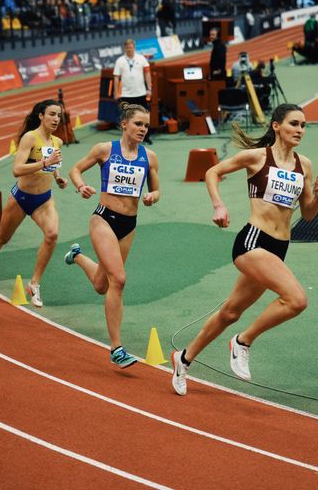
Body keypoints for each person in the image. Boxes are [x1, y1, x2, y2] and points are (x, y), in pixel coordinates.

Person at [171, 103, 318, 396]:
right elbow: (212, 171)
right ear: (276, 126)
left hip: (279, 247)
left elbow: (309, 214)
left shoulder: (306, 165)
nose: (299, 130)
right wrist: (218, 204)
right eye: (293, 124)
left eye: (303, 125)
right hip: (253, 241)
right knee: (297, 300)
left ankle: (183, 359)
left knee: (230, 312)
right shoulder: (256, 157)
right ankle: (243, 341)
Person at [65, 102, 160, 368]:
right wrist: (81, 185)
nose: (143, 129)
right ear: (124, 125)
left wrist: (153, 195)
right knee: (118, 279)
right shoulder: (105, 150)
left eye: (146, 125)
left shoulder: (149, 157)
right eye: (138, 124)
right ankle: (116, 348)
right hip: (104, 219)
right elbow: (75, 169)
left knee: (101, 285)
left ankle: (77, 256)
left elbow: (157, 189)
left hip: (129, 224)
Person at [0, 99, 68, 308]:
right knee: (1, 238)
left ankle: (34, 284)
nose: (56, 119)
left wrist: (58, 177)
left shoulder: (57, 142)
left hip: (44, 199)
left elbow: (53, 167)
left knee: (52, 235)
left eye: (59, 115)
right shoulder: (29, 138)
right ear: (41, 116)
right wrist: (45, 163)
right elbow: (16, 169)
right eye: (52, 114)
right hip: (21, 198)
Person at [113, 38, 153, 145]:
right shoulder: (120, 61)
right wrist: (116, 92)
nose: (129, 49)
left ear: (134, 47)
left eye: (130, 47)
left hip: (140, 93)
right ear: (125, 48)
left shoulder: (142, 59)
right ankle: (127, 139)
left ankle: (146, 137)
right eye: (127, 47)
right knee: (127, 118)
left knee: (144, 116)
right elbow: (116, 78)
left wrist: (149, 88)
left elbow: (147, 74)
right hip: (126, 95)